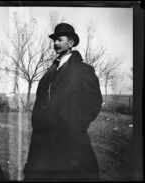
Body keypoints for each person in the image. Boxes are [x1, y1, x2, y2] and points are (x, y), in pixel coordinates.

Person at [23, 23, 102, 181]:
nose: (55, 44)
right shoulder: (50, 71)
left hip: (70, 141)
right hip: (43, 143)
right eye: (54, 40)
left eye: (60, 39)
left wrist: (75, 125)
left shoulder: (83, 70)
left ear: (71, 43)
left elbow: (94, 102)